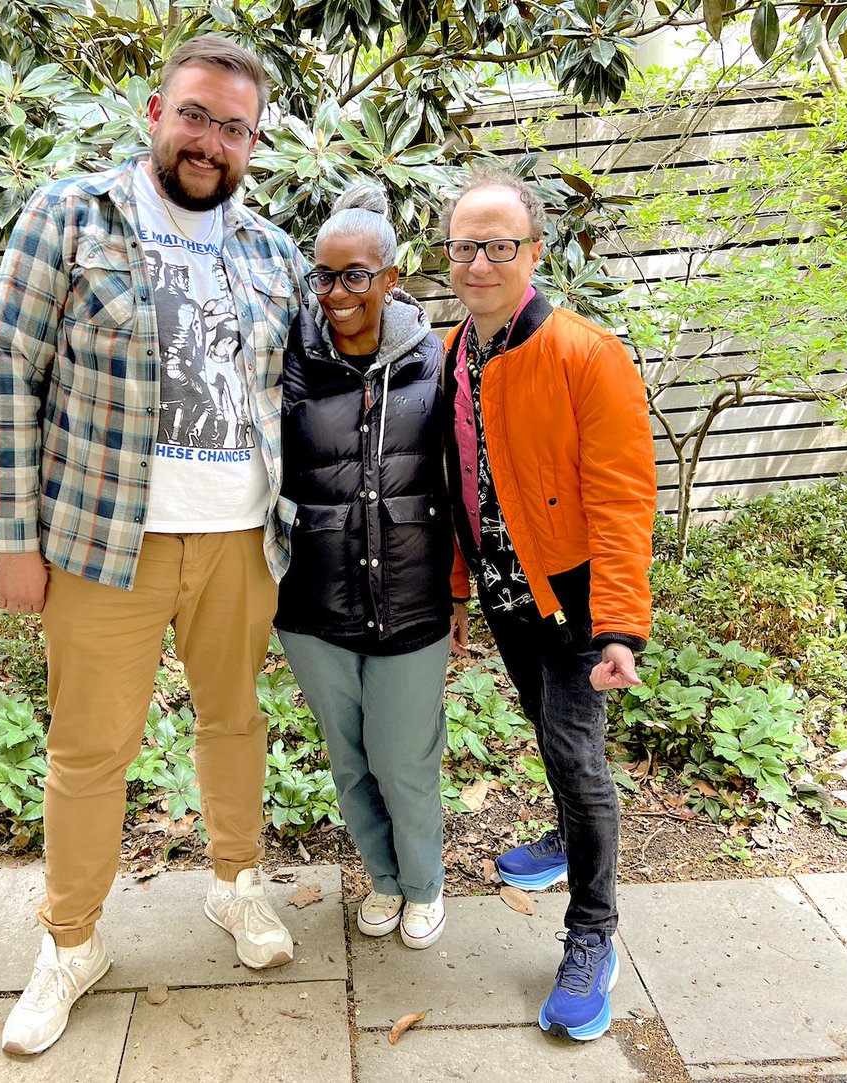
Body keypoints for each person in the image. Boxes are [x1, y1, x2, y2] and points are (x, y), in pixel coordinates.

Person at [0, 34, 308, 1056]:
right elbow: (5, 382)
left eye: (235, 128)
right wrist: (12, 540)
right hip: (101, 541)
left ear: (255, 143)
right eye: (197, 116)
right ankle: (70, 944)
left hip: (240, 539)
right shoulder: (69, 216)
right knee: (87, 752)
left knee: (236, 722)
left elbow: (311, 378)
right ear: (156, 113)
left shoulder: (270, 252)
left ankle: (237, 887)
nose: (212, 141)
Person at [442, 165, 656, 1041]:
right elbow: (456, 485)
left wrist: (619, 628)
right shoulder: (456, 350)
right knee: (550, 736)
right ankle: (568, 838)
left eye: (499, 245)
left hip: (573, 600)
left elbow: (621, 497)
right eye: (465, 246)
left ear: (534, 250)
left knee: (575, 754)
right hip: (504, 591)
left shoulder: (584, 352)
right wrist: (458, 591)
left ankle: (593, 933)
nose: (480, 262)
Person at [275, 184, 453, 950]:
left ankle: (424, 883)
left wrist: (462, 587)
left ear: (388, 275)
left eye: (355, 275)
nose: (338, 292)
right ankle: (383, 879)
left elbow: (458, 473)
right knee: (349, 758)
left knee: (404, 757)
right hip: (313, 601)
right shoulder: (290, 358)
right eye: (324, 275)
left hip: (411, 597)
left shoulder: (432, 359)